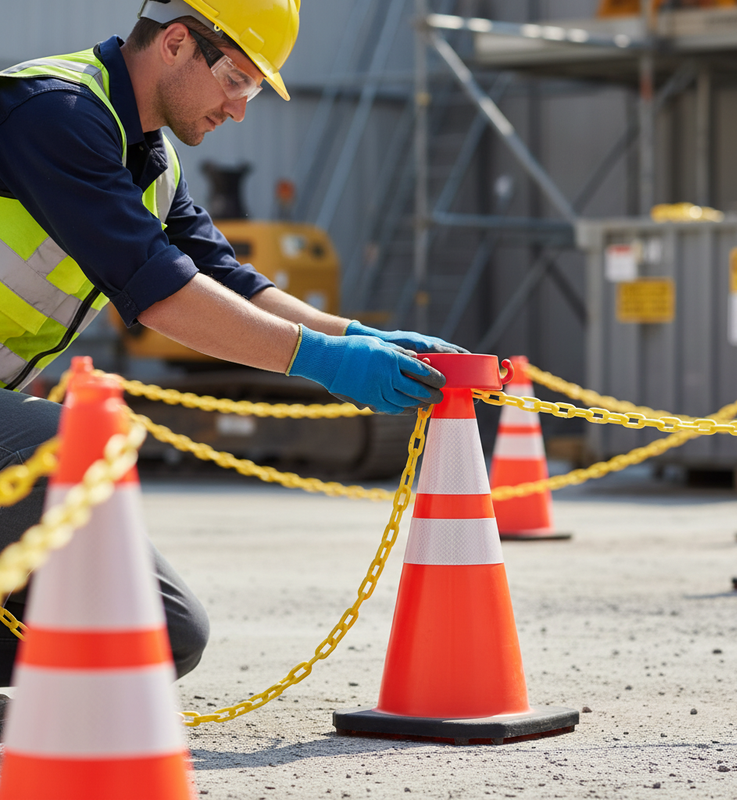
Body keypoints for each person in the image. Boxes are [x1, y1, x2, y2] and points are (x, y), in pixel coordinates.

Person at [0, 0, 466, 686]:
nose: (240, 110)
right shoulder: (54, 114)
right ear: (176, 43)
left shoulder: (152, 164)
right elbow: (160, 291)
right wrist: (321, 360)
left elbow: (227, 279)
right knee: (62, 445)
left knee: (163, 633)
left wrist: (352, 334)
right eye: (238, 80)